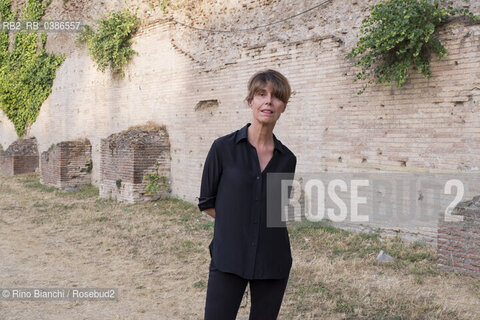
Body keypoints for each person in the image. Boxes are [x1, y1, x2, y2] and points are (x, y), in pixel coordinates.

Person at [198, 69, 297, 320]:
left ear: (283, 106)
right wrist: (239, 226)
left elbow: (275, 212)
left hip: (273, 261)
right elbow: (207, 203)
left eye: (276, 97)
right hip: (229, 257)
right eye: (261, 94)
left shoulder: (287, 160)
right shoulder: (223, 149)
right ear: (250, 101)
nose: (268, 101)